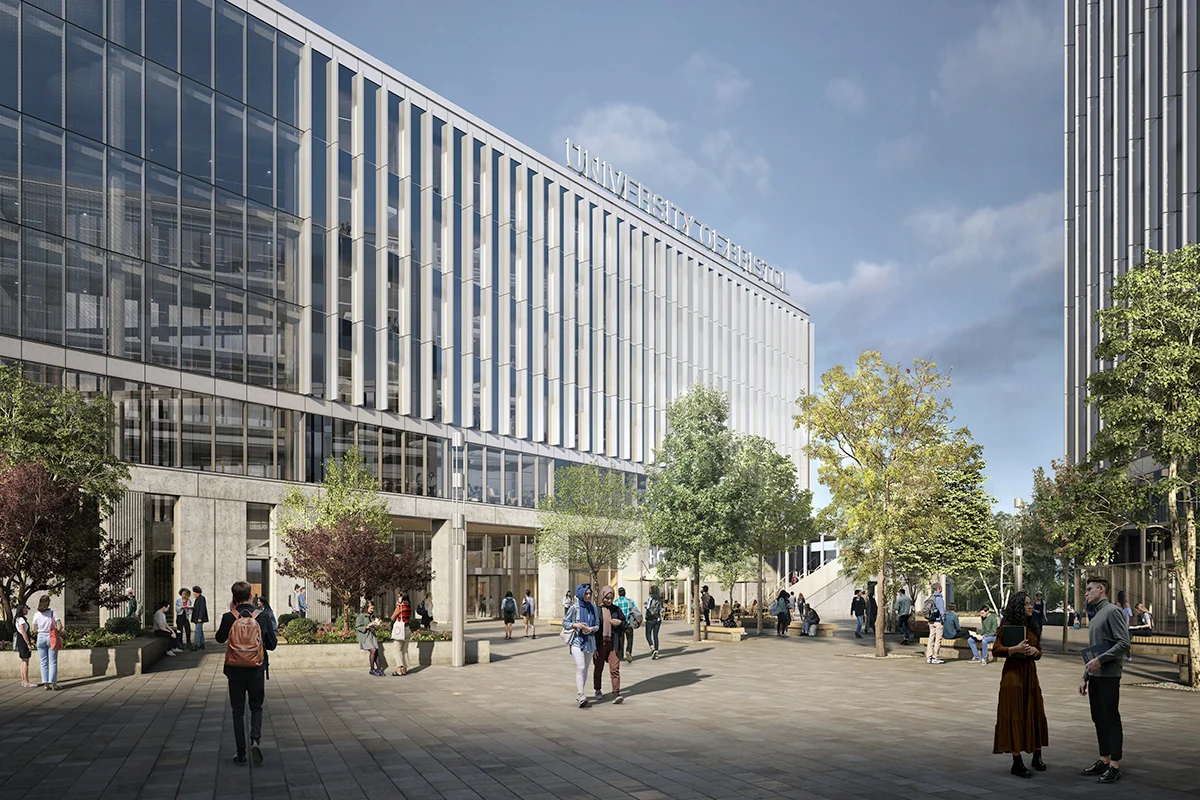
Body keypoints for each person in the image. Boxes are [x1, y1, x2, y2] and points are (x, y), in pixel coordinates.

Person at [216, 580, 278, 766]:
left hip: (235, 670)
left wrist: (231, 613)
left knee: (237, 711)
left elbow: (220, 639)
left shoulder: (229, 617)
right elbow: (272, 645)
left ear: (234, 597)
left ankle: (241, 753)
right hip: (256, 669)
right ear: (251, 596)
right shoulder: (262, 616)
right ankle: (255, 740)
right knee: (256, 707)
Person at [1079, 576, 1131, 784]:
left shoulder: (1113, 611)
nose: (1086, 592)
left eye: (1090, 589)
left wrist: (1101, 660)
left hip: (1109, 676)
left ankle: (1115, 765)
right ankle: (1104, 759)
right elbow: (1095, 650)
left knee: (1111, 719)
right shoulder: (1097, 614)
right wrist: (1085, 676)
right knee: (1098, 718)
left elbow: (1124, 643)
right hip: (1095, 677)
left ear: (1102, 589)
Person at [992, 591, 1049, 778]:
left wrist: (1035, 651)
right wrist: (1014, 649)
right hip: (1013, 677)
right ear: (1018, 607)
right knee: (1014, 713)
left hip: (1030, 676)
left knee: (1034, 712)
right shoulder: (1007, 627)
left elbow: (1039, 651)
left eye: (1030, 603)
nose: (1030, 606)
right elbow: (996, 650)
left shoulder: (1033, 626)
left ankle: (1037, 754)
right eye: (1026, 604)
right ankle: (1017, 762)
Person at [562, 584, 599, 708]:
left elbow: (597, 625)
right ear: (580, 594)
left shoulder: (593, 608)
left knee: (586, 668)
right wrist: (577, 625)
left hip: (590, 642)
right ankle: (581, 694)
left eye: (589, 594)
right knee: (581, 667)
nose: (588, 596)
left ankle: (580, 694)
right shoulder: (574, 608)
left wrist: (591, 628)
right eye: (586, 593)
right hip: (577, 642)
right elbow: (565, 623)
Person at [592, 586, 626, 704]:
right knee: (598, 668)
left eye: (611, 598)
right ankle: (597, 689)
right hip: (600, 644)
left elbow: (625, 625)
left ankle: (616, 693)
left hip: (613, 644)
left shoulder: (616, 610)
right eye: (607, 598)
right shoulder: (597, 610)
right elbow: (593, 628)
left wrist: (619, 623)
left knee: (615, 668)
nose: (609, 600)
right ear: (603, 597)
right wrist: (593, 647)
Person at [355, 600, 384, 676]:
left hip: (371, 634)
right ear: (366, 607)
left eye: (373, 608)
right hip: (365, 635)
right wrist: (366, 627)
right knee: (373, 650)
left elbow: (373, 624)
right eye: (370, 608)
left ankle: (379, 668)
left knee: (376, 650)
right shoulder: (361, 616)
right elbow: (357, 627)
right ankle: (372, 669)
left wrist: (377, 623)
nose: (372, 610)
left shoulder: (372, 615)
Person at [13, 603, 34, 688]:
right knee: (26, 661)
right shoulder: (21, 619)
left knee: (23, 661)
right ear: (22, 610)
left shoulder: (18, 619)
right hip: (23, 641)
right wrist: (28, 643)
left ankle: (23, 680)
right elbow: (23, 632)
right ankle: (26, 681)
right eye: (25, 609)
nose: (27, 610)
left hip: (20, 641)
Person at [389, 594, 411, 676]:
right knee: (405, 650)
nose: (397, 598)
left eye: (399, 597)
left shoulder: (400, 607)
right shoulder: (409, 606)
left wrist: (398, 605)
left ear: (402, 598)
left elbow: (392, 617)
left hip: (400, 630)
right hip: (407, 629)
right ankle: (405, 669)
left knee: (397, 650)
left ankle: (399, 669)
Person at [614, 587, 638, 662]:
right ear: (625, 593)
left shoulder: (615, 602)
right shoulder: (630, 601)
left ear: (618, 594)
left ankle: (620, 655)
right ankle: (628, 652)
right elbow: (635, 610)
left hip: (620, 623)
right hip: (628, 623)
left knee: (620, 639)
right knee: (630, 638)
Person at [925, 583, 946, 664]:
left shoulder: (931, 597)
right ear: (939, 588)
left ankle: (929, 657)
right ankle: (935, 657)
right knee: (938, 639)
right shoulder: (939, 598)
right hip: (938, 622)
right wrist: (943, 620)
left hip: (931, 621)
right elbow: (942, 611)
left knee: (931, 639)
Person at [644, 585, 664, 659]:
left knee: (648, 634)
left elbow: (648, 607)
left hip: (650, 619)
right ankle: (657, 651)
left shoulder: (650, 598)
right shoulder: (659, 599)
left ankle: (652, 647)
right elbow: (662, 609)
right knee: (655, 635)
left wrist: (645, 605)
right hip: (657, 619)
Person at [1116, 590, 1133, 662]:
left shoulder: (1116, 604)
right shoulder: (1127, 605)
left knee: (1117, 642)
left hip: (1118, 626)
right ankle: (1128, 656)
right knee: (1126, 642)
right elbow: (1130, 616)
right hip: (1126, 626)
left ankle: (1117, 656)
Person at [191, 586, 208, 651]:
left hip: (199, 618)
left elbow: (202, 609)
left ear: (198, 593)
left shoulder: (201, 599)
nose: (194, 595)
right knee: (200, 630)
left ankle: (196, 644)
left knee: (197, 631)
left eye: (195, 594)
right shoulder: (198, 599)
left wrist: (200, 617)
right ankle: (201, 643)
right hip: (197, 617)